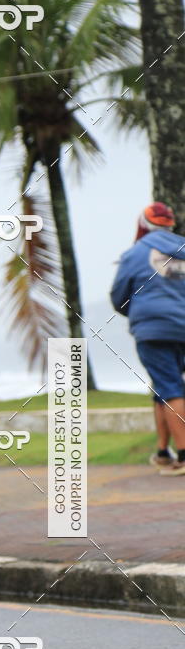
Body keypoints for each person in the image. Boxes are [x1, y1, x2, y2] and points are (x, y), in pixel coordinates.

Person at [111, 202, 185, 475]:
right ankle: (163, 452)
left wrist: (139, 312)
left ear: (143, 225)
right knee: (164, 386)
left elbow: (119, 296)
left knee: (169, 386)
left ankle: (183, 456)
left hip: (153, 330)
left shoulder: (136, 253)